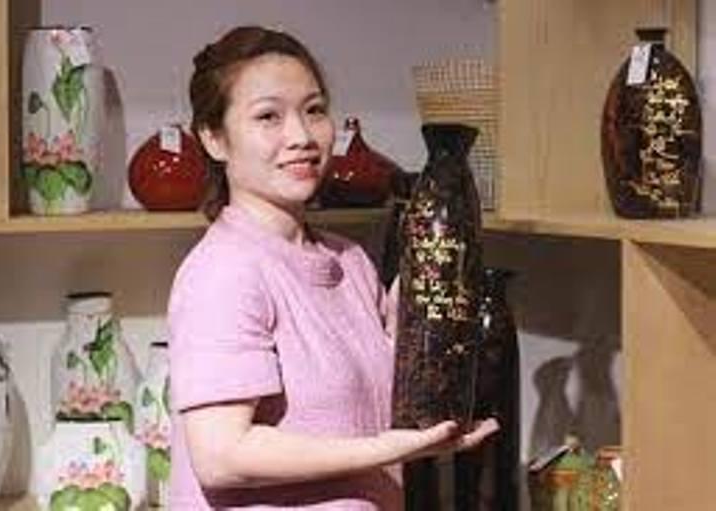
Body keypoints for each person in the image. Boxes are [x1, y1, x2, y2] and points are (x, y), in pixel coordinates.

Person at [167, 25, 499, 510]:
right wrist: (390, 449)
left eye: (314, 110)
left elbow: (382, 392)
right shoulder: (223, 272)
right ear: (214, 138)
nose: (301, 137)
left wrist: (428, 294)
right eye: (268, 116)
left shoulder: (349, 261)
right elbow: (222, 456)